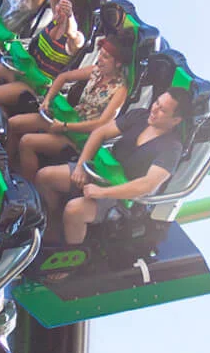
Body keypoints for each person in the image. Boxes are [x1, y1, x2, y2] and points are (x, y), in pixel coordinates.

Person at [35, 88, 192, 248]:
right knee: (45, 177)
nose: (155, 109)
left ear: (175, 120)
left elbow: (147, 185)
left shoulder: (172, 148)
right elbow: (100, 133)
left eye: (163, 110)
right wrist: (81, 167)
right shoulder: (140, 116)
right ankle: (52, 221)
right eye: (157, 103)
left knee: (74, 210)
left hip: (121, 196)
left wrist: (102, 192)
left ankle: (70, 256)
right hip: (101, 172)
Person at [7, 36, 129, 182]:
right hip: (67, 119)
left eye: (106, 57)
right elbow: (63, 77)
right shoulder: (96, 71)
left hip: (81, 138)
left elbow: (101, 124)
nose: (100, 59)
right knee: (13, 123)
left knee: (27, 141)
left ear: (118, 63)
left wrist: (65, 127)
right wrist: (46, 101)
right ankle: (6, 169)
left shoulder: (120, 90)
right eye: (100, 54)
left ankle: (26, 186)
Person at [0, 0, 84, 110]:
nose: (58, 9)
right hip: (19, 69)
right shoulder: (55, 21)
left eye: (63, 9)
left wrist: (69, 16)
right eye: (60, 5)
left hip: (34, 86)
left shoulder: (76, 39)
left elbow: (72, 33)